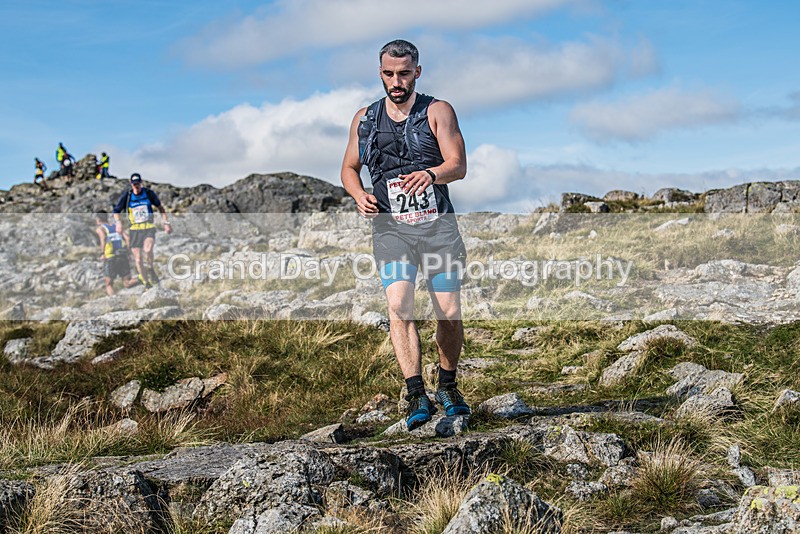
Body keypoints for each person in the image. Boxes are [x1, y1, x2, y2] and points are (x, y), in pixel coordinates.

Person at [341, 39, 470, 430]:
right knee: (400, 307)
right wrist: (359, 194)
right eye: (388, 74)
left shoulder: (437, 111)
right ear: (380, 73)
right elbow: (349, 168)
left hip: (437, 228)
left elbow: (459, 164)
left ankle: (447, 385)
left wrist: (431, 174)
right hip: (391, 228)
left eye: (403, 73)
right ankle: (416, 392)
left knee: (447, 311)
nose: (396, 81)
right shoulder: (364, 119)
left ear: (417, 72)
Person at [112, 173, 172, 288]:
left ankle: (150, 268)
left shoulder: (148, 193)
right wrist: (118, 223)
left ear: (141, 183)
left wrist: (166, 223)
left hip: (148, 227)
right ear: (131, 184)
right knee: (138, 259)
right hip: (134, 230)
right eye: (134, 185)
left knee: (148, 250)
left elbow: (160, 208)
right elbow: (116, 212)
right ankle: (146, 283)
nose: (136, 187)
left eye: (138, 184)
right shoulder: (127, 196)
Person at [95, 210, 137, 295]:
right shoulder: (116, 227)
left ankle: (113, 301)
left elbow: (103, 239)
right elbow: (128, 239)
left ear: (98, 219)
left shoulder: (101, 229)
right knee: (127, 283)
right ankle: (142, 278)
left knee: (109, 283)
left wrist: (102, 253)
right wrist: (128, 252)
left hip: (110, 257)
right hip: (122, 255)